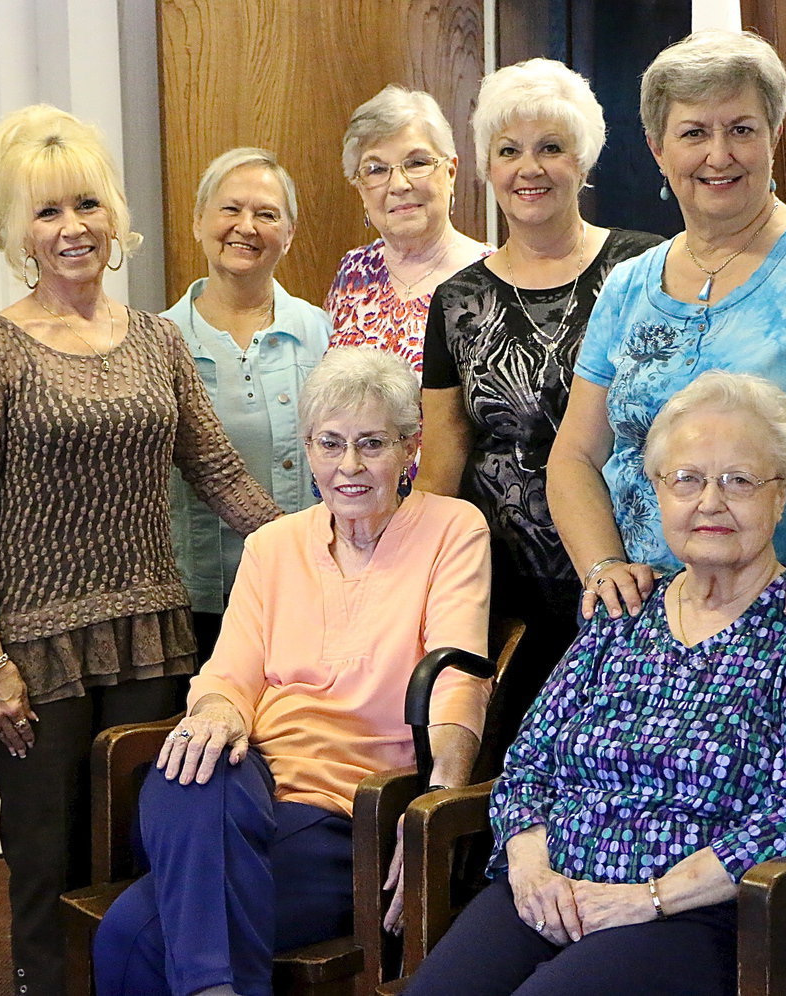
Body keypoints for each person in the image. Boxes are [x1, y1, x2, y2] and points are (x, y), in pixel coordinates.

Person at [0, 105, 282, 996]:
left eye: (86, 204)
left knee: (138, 842)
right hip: (34, 647)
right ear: (17, 232)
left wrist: (322, 537)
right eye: (46, 212)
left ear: (114, 216)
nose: (72, 229)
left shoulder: (158, 339)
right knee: (44, 854)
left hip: (149, 632)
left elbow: (215, 469)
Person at [406, 371, 786, 996]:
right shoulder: (624, 608)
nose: (709, 502)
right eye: (686, 479)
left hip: (719, 916)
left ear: (781, 494)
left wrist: (646, 900)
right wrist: (529, 869)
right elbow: (529, 764)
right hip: (557, 885)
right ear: (657, 491)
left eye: (738, 480)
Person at [93, 347, 493, 996]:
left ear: (409, 445)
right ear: (307, 448)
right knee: (191, 763)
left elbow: (459, 680)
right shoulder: (272, 547)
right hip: (247, 788)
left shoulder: (452, 531)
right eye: (330, 444)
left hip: (349, 817)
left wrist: (433, 815)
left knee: (132, 935)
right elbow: (228, 680)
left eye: (372, 443)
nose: (350, 466)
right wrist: (220, 716)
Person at [548, 30, 786, 647]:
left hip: (781, 619)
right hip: (638, 625)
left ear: (773, 135)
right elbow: (574, 455)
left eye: (741, 129)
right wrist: (602, 570)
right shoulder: (627, 284)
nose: (719, 154)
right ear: (657, 148)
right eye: (693, 133)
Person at [418, 58, 662, 741]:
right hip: (504, 594)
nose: (530, 168)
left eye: (551, 147)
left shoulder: (646, 269)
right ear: (486, 168)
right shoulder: (457, 299)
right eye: (509, 150)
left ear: (583, 160)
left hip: (634, 577)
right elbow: (441, 465)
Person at [164, 148, 328, 662]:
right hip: (198, 602)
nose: (246, 227)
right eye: (230, 209)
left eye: (267, 213)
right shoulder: (157, 340)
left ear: (290, 233)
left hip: (307, 591)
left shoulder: (323, 331)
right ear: (198, 222)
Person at [328, 85, 491, 378]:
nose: (399, 184)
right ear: (359, 186)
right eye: (376, 169)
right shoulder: (353, 271)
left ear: (450, 172)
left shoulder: (492, 277)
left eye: (416, 163)